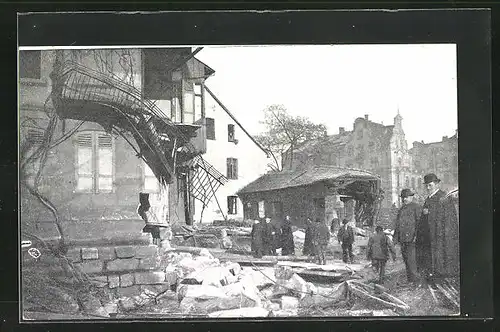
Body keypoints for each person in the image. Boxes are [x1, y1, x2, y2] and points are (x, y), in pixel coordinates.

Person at [418, 173, 447, 280]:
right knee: (430, 254)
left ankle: (439, 275)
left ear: (436, 184)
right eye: (426, 185)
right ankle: (432, 274)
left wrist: (429, 213)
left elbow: (445, 216)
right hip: (429, 233)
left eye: (430, 185)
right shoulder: (428, 198)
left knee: (438, 253)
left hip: (438, 232)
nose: (428, 187)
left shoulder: (442, 197)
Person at [393, 189, 422, 284]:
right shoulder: (401, 209)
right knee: (406, 260)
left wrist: (416, 237)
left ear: (411, 197)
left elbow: (419, 224)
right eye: (403, 197)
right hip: (403, 240)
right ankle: (410, 281)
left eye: (406, 197)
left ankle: (416, 282)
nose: (404, 199)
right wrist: (395, 239)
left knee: (412, 261)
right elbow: (397, 225)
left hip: (412, 240)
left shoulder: (416, 207)